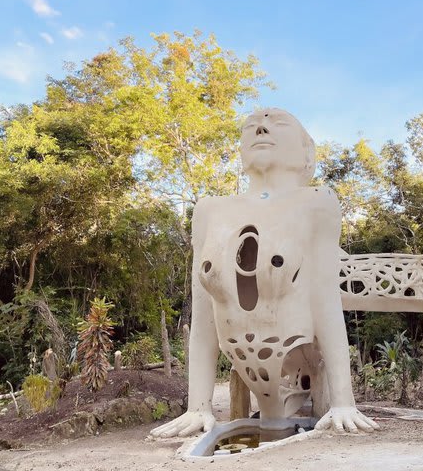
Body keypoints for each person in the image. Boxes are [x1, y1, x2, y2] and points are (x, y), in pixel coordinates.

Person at [151, 108, 378, 437]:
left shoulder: (317, 203)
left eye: (277, 123)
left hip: (295, 346)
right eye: (251, 126)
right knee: (267, 421)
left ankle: (302, 404)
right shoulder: (209, 209)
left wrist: (344, 402)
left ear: (306, 152)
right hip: (241, 354)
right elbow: (203, 318)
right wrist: (196, 408)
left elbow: (326, 301)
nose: (260, 128)